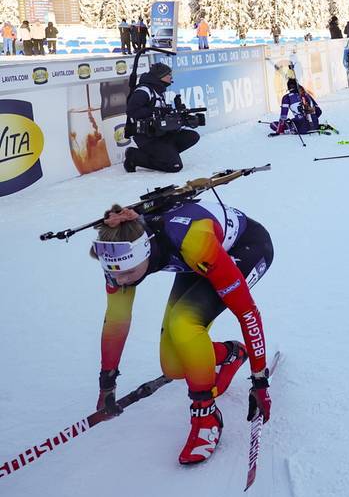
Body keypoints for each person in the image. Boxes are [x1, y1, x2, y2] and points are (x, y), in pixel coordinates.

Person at [90, 199, 273, 465]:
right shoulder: (120, 262)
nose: (120, 281)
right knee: (174, 366)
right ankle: (231, 354)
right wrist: (107, 382)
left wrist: (260, 381)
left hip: (244, 248)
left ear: (145, 253)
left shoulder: (193, 242)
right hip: (195, 260)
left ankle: (207, 418)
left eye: (128, 273)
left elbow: (248, 313)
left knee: (183, 324)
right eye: (112, 273)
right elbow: (117, 319)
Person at [123, 62, 200, 173]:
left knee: (192, 136)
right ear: (160, 76)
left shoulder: (159, 91)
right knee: (175, 166)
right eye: (169, 75)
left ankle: (166, 153)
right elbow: (131, 111)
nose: (171, 77)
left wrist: (181, 118)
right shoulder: (144, 91)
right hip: (147, 137)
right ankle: (134, 156)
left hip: (161, 134)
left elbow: (162, 116)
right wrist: (156, 111)